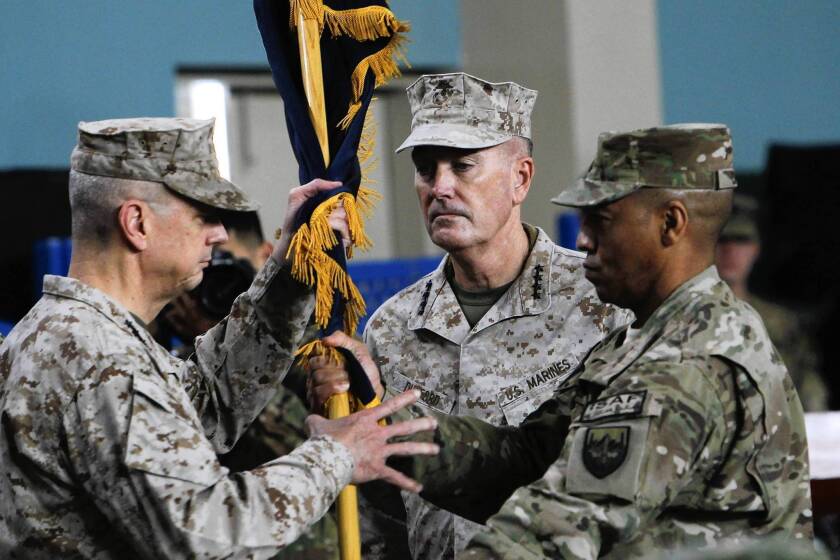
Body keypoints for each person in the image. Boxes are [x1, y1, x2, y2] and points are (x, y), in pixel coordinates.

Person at [317, 124, 814, 558]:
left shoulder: (685, 364)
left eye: (603, 221)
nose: (582, 240)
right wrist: (382, 419)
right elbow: (525, 457)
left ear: (671, 224)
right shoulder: (647, 338)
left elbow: (561, 523)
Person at [0, 118, 438, 558]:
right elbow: (207, 537)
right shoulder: (101, 359)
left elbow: (205, 403)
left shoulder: (63, 332)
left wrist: (289, 273)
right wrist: (336, 457)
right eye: (203, 215)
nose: (220, 234)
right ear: (137, 223)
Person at [312, 72, 629, 558]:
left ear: (520, 178)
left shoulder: (600, 307)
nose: (439, 187)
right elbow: (384, 513)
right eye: (425, 169)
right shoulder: (392, 328)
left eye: (463, 166)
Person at [165, 210, 340, 560]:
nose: (219, 288)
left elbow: (308, 442)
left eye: (230, 269)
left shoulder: (317, 347)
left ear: (266, 255)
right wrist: (205, 341)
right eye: (207, 272)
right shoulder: (176, 359)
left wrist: (237, 356)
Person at [715, 194, 829, 411]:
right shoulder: (681, 319)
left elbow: (808, 387)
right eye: (722, 239)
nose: (731, 250)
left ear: (756, 249)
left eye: (741, 240)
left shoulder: (781, 324)